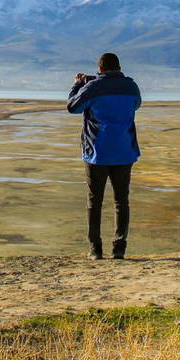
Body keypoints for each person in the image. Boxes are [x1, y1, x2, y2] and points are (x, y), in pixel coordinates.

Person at [67, 52, 141, 259]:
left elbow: (73, 107)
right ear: (119, 67)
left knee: (95, 201)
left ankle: (95, 249)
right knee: (121, 201)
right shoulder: (131, 87)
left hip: (97, 153)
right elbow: (136, 105)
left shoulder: (93, 87)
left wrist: (77, 85)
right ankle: (119, 248)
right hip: (124, 151)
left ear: (99, 69)